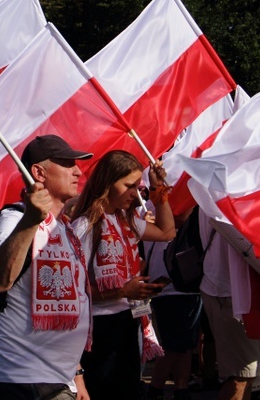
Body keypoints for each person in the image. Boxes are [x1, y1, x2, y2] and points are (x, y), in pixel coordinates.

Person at [0, 134, 93, 400]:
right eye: (67, 164)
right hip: (24, 383)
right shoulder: (12, 221)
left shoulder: (65, 228)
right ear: (39, 173)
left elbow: (74, 302)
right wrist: (30, 222)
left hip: (59, 380)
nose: (78, 171)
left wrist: (76, 375)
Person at [70, 150, 176, 400]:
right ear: (107, 183)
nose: (135, 193)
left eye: (138, 186)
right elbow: (73, 293)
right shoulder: (84, 226)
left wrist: (158, 187)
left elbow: (167, 231)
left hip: (131, 320)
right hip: (99, 329)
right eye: (129, 185)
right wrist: (121, 291)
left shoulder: (126, 221)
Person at [197, 208, 260, 400]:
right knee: (241, 376)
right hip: (228, 292)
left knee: (249, 374)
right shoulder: (221, 185)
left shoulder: (224, 182)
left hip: (241, 291)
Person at [143, 208, 203, 400]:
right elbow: (177, 220)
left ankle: (181, 388)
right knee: (173, 345)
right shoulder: (153, 208)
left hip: (188, 285)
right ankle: (155, 389)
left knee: (184, 344)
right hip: (168, 288)